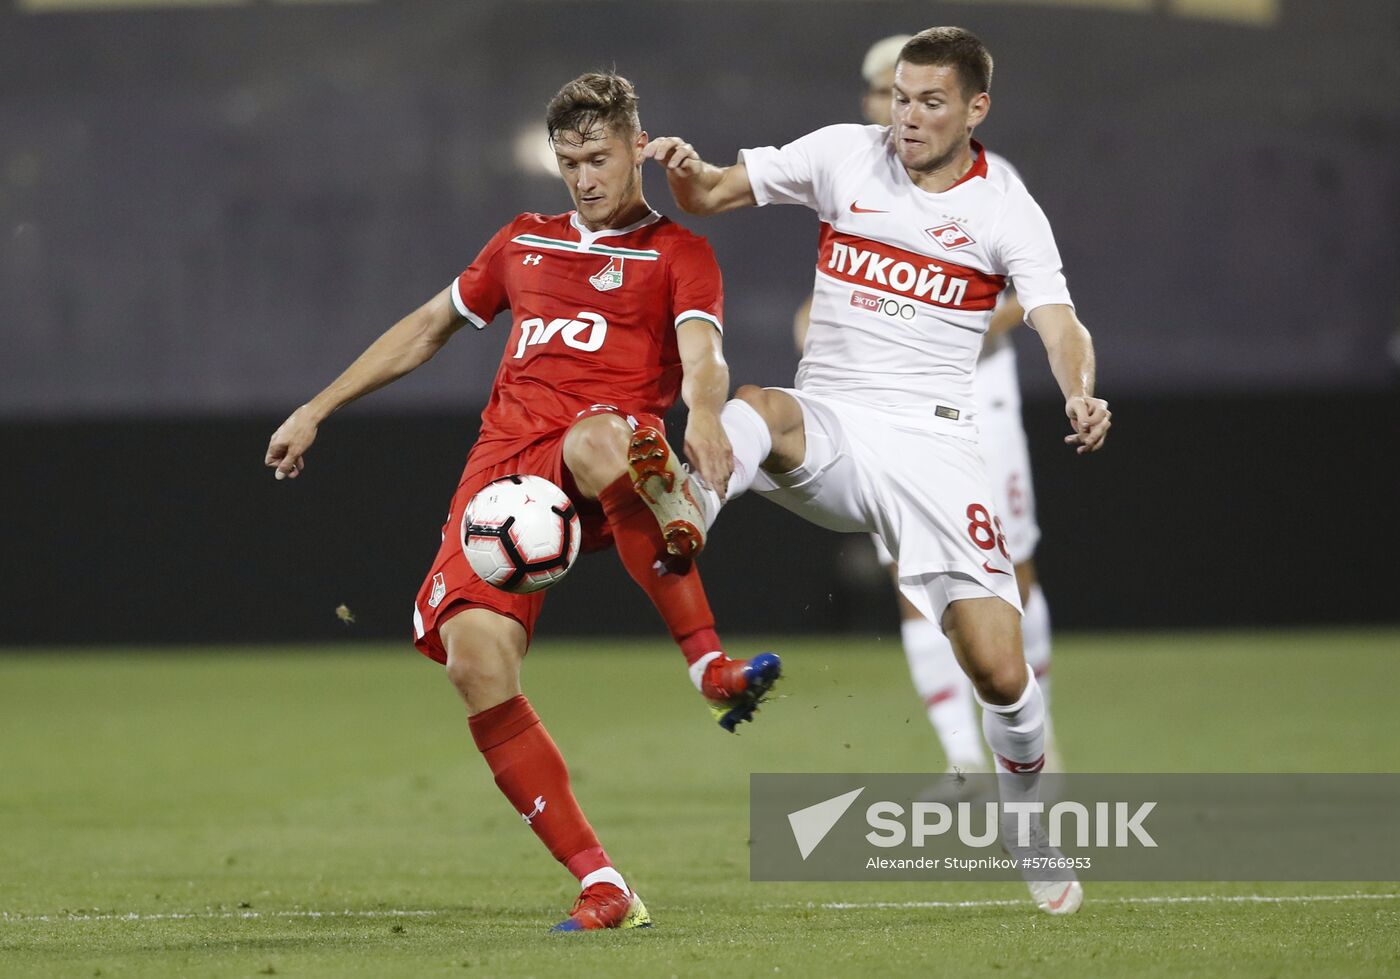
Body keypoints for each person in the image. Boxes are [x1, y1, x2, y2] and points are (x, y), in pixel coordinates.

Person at [264, 72, 780, 932]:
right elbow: (426, 327)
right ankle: (603, 881)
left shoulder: (678, 253)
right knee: (475, 663)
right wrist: (316, 409)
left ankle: (708, 664)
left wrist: (700, 408)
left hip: (607, 454)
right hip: (504, 477)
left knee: (596, 439)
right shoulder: (522, 242)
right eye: (570, 160)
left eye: (600, 157)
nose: (584, 177)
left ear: (636, 146)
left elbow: (702, 354)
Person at [644, 26, 1109, 914]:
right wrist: (685, 170)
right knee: (760, 404)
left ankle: (1023, 815)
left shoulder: (1004, 204)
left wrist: (1080, 392)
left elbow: (1058, 322)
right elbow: (709, 193)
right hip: (834, 428)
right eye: (901, 97)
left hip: (936, 447)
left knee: (1000, 670)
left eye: (931, 102)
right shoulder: (841, 155)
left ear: (975, 109)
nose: (908, 116)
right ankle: (688, 505)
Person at [792, 35, 1061, 779]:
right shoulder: (858, 168)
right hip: (887, 413)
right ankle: (961, 755)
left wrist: (953, 322)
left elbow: (1025, 296)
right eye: (883, 94)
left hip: (978, 398)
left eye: (907, 94)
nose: (893, 108)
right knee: (914, 573)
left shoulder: (994, 183)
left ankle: (1033, 722)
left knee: (1012, 570)